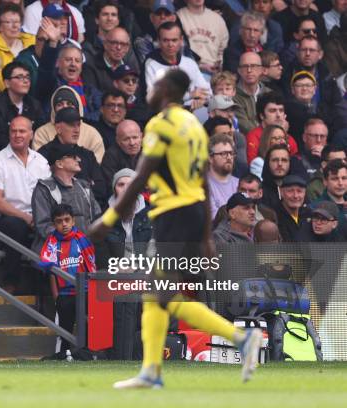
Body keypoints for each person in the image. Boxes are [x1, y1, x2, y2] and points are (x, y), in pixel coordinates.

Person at [88, 69, 263, 388]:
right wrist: (207, 233)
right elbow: (203, 180)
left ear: (168, 90)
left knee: (161, 294)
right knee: (157, 295)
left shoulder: (161, 124)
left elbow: (141, 176)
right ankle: (152, 370)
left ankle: (241, 337)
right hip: (193, 211)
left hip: (174, 213)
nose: (150, 91)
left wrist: (108, 220)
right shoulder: (194, 126)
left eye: (156, 86)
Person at [0, 116, 51, 292]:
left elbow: (49, 196)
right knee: (17, 226)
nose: (17, 135)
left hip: (36, 217)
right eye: (13, 131)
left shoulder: (41, 161)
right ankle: (10, 282)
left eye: (22, 131)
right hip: (3, 219)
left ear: (31, 134)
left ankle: (44, 289)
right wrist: (26, 217)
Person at [38, 204, 96, 358]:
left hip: (84, 292)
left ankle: (87, 354)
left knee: (88, 325)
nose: (63, 224)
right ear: (54, 224)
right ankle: (63, 355)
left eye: (67, 220)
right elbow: (50, 270)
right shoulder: (51, 243)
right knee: (64, 329)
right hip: (64, 293)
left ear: (73, 221)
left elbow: (91, 267)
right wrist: (56, 295)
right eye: (59, 221)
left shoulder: (82, 240)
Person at [31, 143, 101, 253]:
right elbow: (44, 225)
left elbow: (96, 217)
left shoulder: (84, 186)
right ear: (59, 163)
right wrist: (70, 242)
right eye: (73, 157)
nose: (78, 159)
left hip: (86, 248)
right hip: (58, 252)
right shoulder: (44, 189)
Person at [37, 107, 107, 203]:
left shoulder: (87, 155)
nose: (77, 130)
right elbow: (42, 190)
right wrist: (87, 185)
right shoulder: (44, 154)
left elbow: (101, 190)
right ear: (58, 128)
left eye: (78, 125)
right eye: (71, 125)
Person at [144, 22, 210, 111]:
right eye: (165, 40)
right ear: (158, 41)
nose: (170, 45)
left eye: (174, 40)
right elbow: (154, 99)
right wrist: (189, 95)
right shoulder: (150, 64)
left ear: (181, 40)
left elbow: (207, 92)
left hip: (193, 113)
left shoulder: (189, 62)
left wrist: (202, 100)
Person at [0, 61, 45, 150]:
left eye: (27, 77)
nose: (26, 81)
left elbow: (40, 133)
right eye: (20, 77)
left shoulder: (34, 104)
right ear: (7, 83)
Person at [32, 85, 105, 163]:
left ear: (77, 107)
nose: (65, 107)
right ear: (54, 108)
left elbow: (97, 164)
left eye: (70, 104)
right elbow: (38, 165)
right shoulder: (42, 133)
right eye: (60, 104)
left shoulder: (92, 134)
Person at [0, 2, 36, 92]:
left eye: (17, 22)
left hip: (34, 92)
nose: (15, 26)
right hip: (7, 95)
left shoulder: (31, 41)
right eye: (9, 22)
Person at [176, 0, 229, 76]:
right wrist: (199, 66)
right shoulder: (179, 17)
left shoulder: (217, 19)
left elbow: (223, 48)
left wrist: (219, 65)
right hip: (187, 71)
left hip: (214, 73)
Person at [82, 27, 139, 94]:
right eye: (114, 43)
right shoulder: (91, 66)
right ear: (105, 44)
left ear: (127, 48)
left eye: (123, 44)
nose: (119, 48)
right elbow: (92, 97)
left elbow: (138, 97)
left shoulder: (131, 66)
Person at [233, 52, 270, 137]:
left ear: (261, 69)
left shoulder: (270, 94)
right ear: (239, 70)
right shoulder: (232, 96)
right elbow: (245, 126)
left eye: (253, 66)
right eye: (245, 66)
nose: (249, 70)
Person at [101, 120, 142, 187]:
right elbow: (112, 186)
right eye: (126, 139)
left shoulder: (149, 153)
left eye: (135, 137)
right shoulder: (111, 156)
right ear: (118, 141)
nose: (132, 143)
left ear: (141, 136)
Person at [207, 134, 239, 219]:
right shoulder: (204, 185)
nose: (229, 158)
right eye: (223, 153)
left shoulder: (239, 183)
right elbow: (214, 219)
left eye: (231, 153)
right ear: (210, 158)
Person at [273, 174, 309, 241]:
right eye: (290, 191)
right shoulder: (274, 216)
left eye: (299, 191)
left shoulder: (310, 214)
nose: (295, 196)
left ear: (305, 193)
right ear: (281, 192)